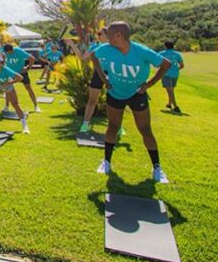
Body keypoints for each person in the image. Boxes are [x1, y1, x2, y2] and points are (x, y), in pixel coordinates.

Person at [90, 21, 172, 184]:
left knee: (145, 130)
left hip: (136, 95)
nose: (106, 38)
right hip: (115, 93)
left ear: (119, 36)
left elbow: (165, 64)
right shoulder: (107, 49)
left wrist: (149, 83)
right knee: (112, 127)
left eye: (109, 35)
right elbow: (94, 57)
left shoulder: (141, 51)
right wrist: (102, 77)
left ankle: (157, 168)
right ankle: (106, 162)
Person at [0, 52, 30, 135]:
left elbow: (20, 77)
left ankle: (25, 126)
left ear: (2, 63)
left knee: (15, 104)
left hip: (7, 84)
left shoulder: (6, 69)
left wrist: (10, 82)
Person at [79, 25, 110, 132]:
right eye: (97, 34)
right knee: (92, 100)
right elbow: (82, 57)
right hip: (98, 73)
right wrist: (72, 45)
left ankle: (118, 127)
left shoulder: (115, 47)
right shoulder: (95, 47)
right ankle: (85, 124)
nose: (98, 36)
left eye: (100, 34)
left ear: (107, 35)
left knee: (114, 102)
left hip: (113, 74)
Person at [3, 42, 38, 112]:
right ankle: (6, 106)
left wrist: (27, 68)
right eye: (7, 53)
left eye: (9, 52)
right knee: (8, 90)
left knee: (28, 88)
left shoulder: (19, 51)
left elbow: (32, 58)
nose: (8, 54)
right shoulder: (4, 52)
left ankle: (36, 106)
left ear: (12, 49)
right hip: (10, 73)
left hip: (21, 73)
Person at [159, 40, 185, 111]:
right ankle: (169, 104)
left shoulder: (161, 53)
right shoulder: (177, 54)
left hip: (166, 74)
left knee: (170, 92)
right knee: (171, 90)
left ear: (165, 46)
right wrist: (176, 69)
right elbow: (182, 65)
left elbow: (157, 63)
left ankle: (176, 107)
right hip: (175, 75)